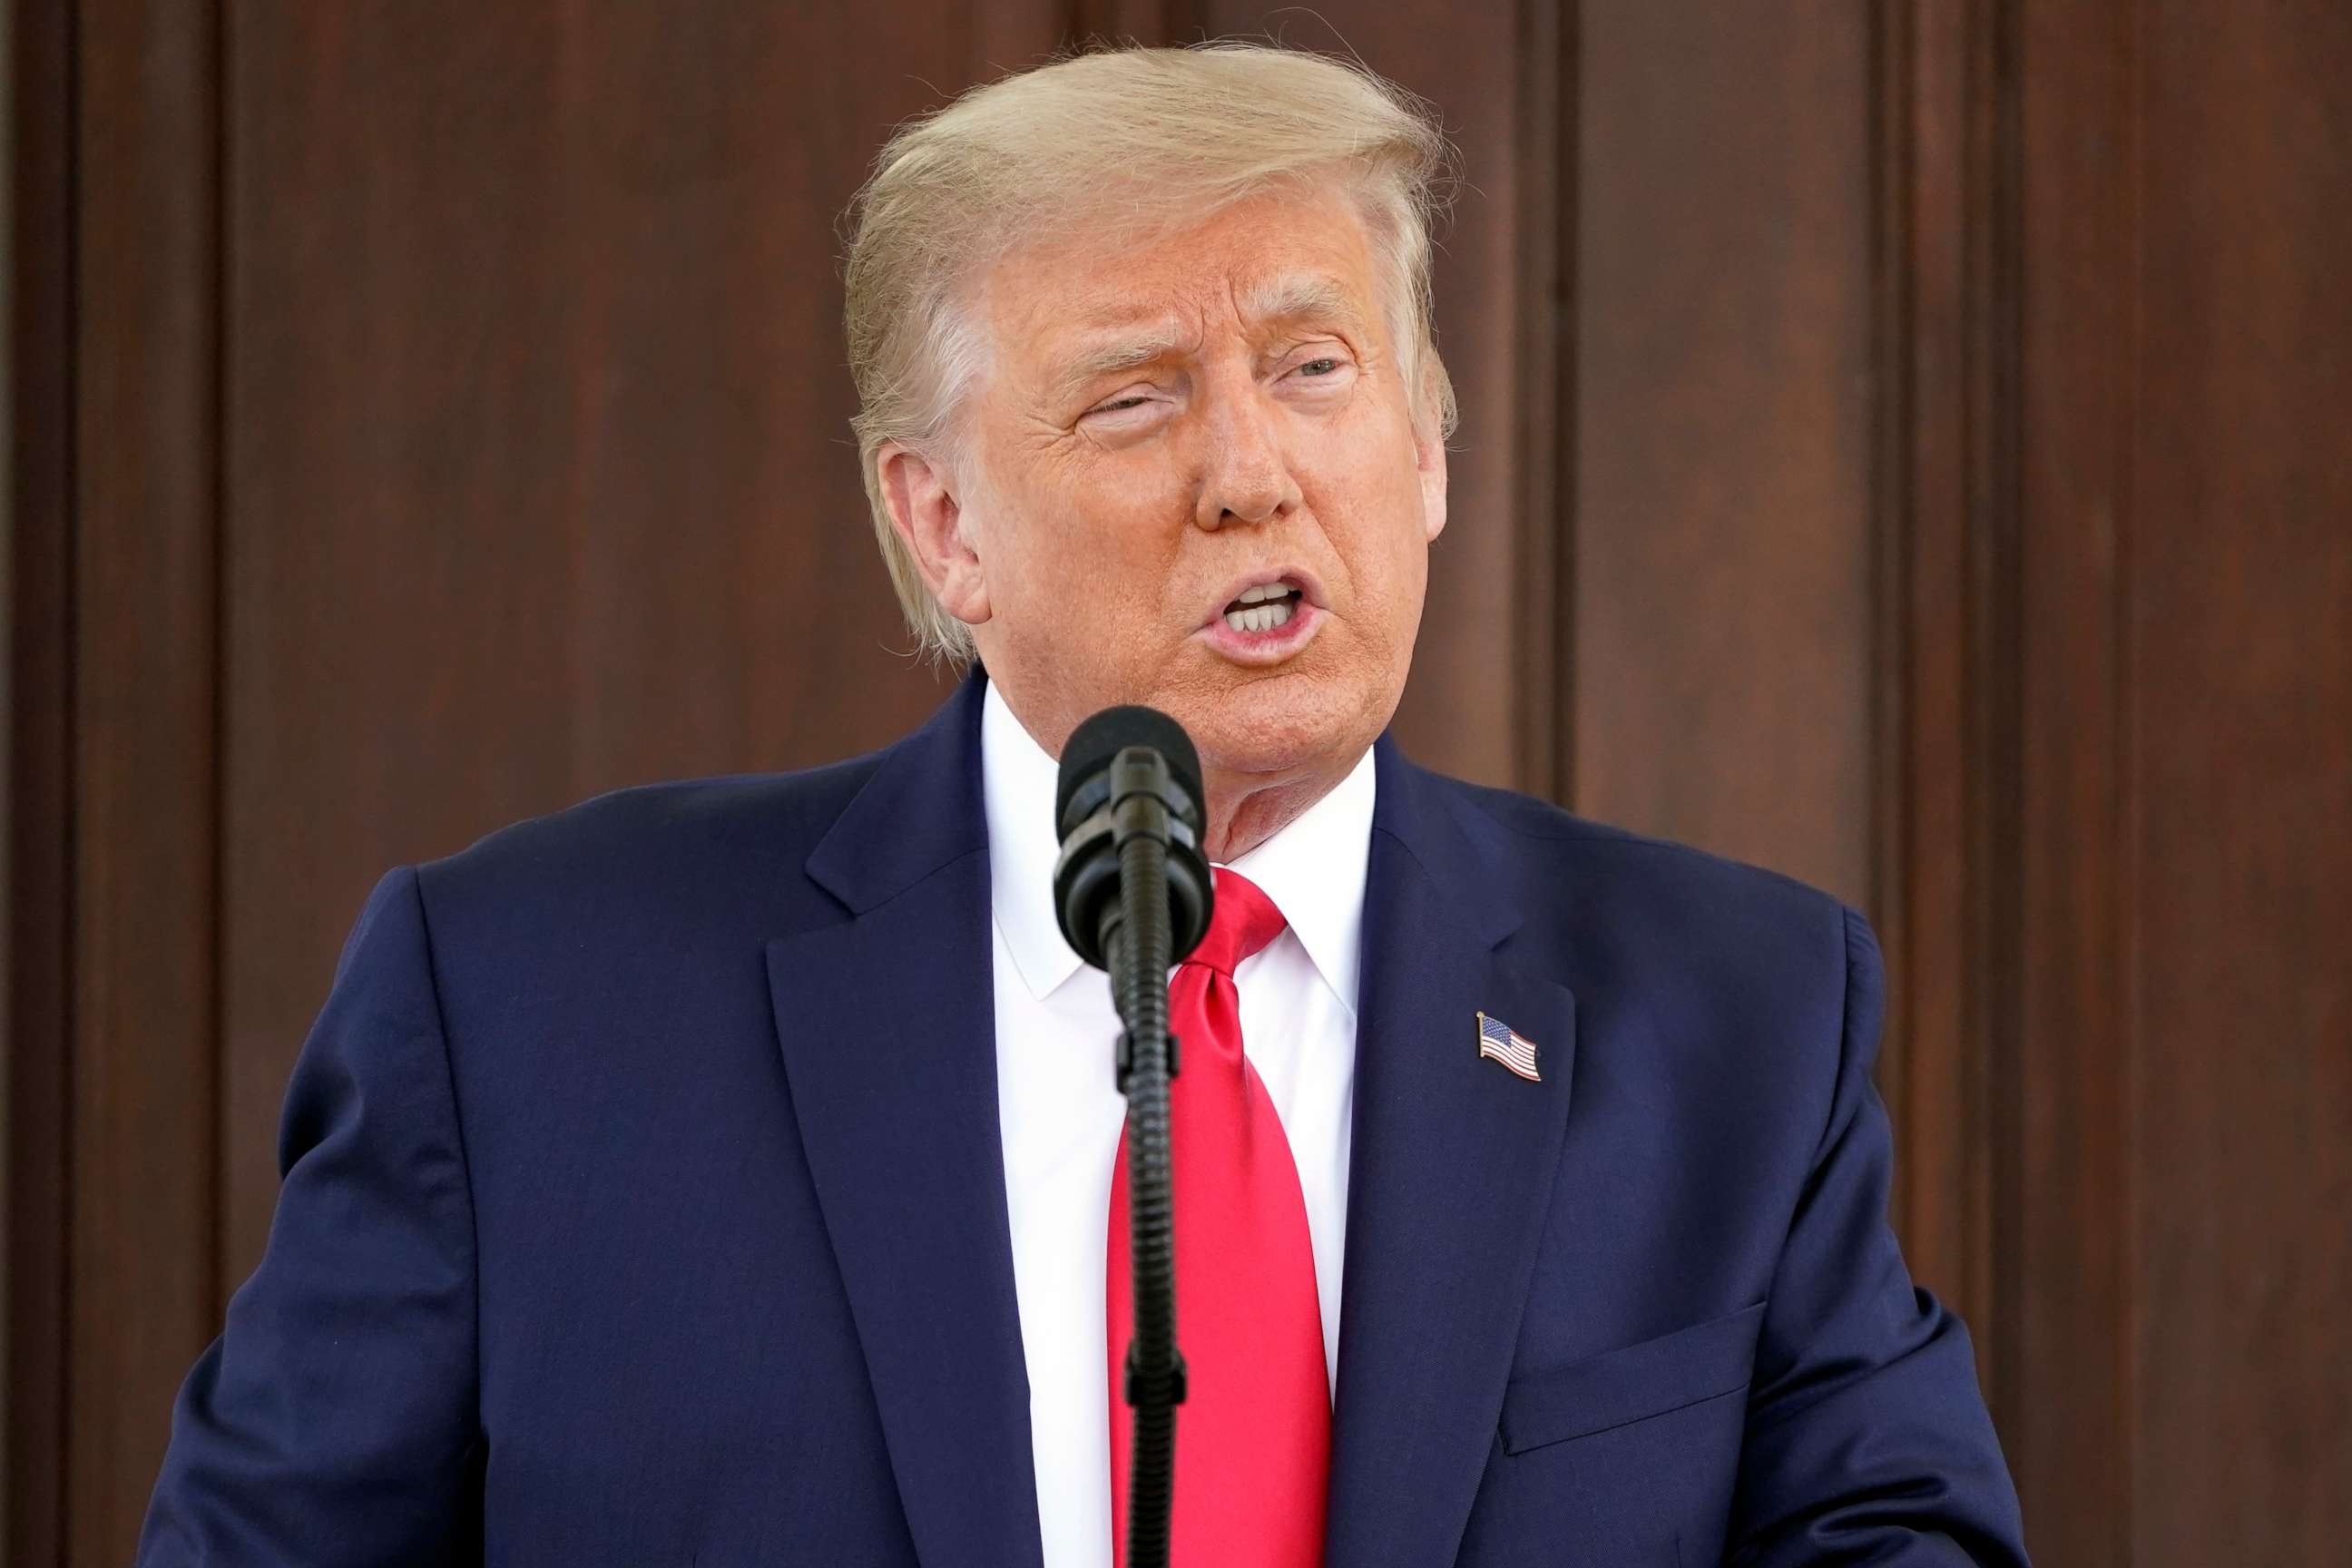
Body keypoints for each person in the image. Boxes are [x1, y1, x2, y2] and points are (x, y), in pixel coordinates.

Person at [136, 41, 2028, 1568]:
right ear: (942, 523)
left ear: (1434, 446)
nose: (1251, 473)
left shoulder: (1739, 1017)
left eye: (1313, 367)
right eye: (1132, 401)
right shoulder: (529, 1006)